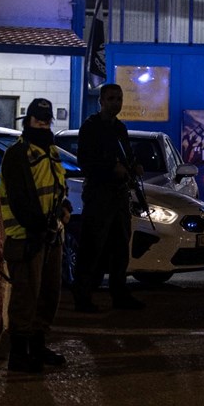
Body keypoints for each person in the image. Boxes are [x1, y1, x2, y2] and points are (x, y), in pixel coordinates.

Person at [0, 98, 71, 372]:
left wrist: (64, 207)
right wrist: (41, 228)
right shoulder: (18, 153)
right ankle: (19, 354)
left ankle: (38, 347)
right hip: (26, 237)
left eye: (45, 120)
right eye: (37, 119)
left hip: (50, 235)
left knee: (48, 294)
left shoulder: (51, 151)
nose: (41, 124)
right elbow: (19, 199)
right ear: (27, 120)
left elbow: (57, 187)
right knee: (26, 297)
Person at [71, 83, 145, 312]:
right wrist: (110, 169)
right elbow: (85, 161)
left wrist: (134, 167)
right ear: (101, 101)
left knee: (120, 248)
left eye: (119, 98)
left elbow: (127, 156)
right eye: (112, 98)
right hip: (99, 194)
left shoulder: (120, 129)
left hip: (119, 195)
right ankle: (83, 297)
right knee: (92, 248)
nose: (116, 103)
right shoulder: (91, 128)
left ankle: (119, 293)